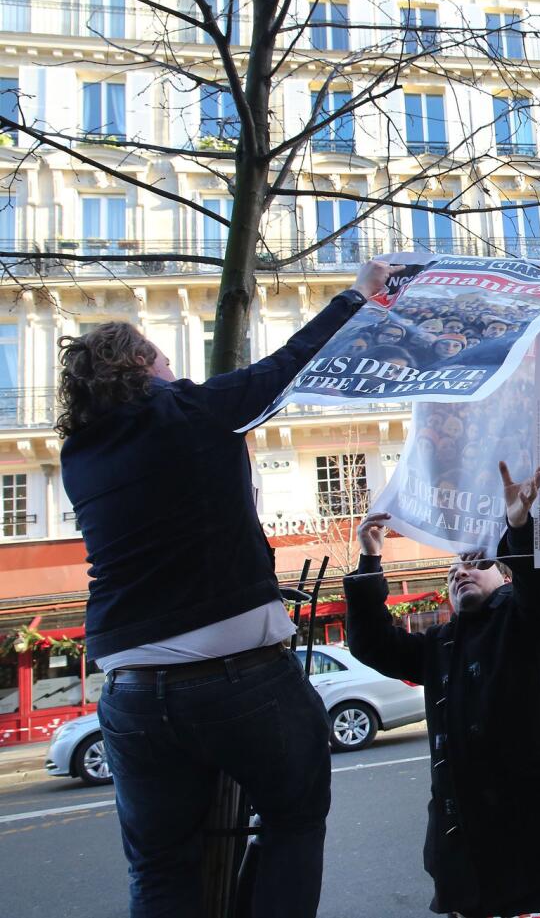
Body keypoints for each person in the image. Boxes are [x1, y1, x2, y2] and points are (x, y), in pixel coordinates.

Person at [57, 259, 403, 917]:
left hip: (130, 693)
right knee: (295, 816)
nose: (174, 370)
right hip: (238, 681)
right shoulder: (192, 410)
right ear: (140, 366)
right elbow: (287, 366)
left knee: (160, 866)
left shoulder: (81, 455)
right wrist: (358, 295)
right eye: (162, 358)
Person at [345, 463, 540, 918]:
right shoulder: (440, 644)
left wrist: (519, 527)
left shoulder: (530, 620)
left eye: (479, 563)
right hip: (468, 859)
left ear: (506, 575)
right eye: (455, 568)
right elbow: (372, 642)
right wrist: (370, 559)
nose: (463, 571)